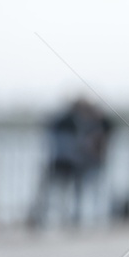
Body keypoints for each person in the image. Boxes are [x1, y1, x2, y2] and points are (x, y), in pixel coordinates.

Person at [27, 96, 114, 229]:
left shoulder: (77, 123)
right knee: (59, 193)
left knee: (68, 193)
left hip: (72, 164)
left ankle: (70, 218)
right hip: (66, 163)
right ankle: (53, 218)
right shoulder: (70, 123)